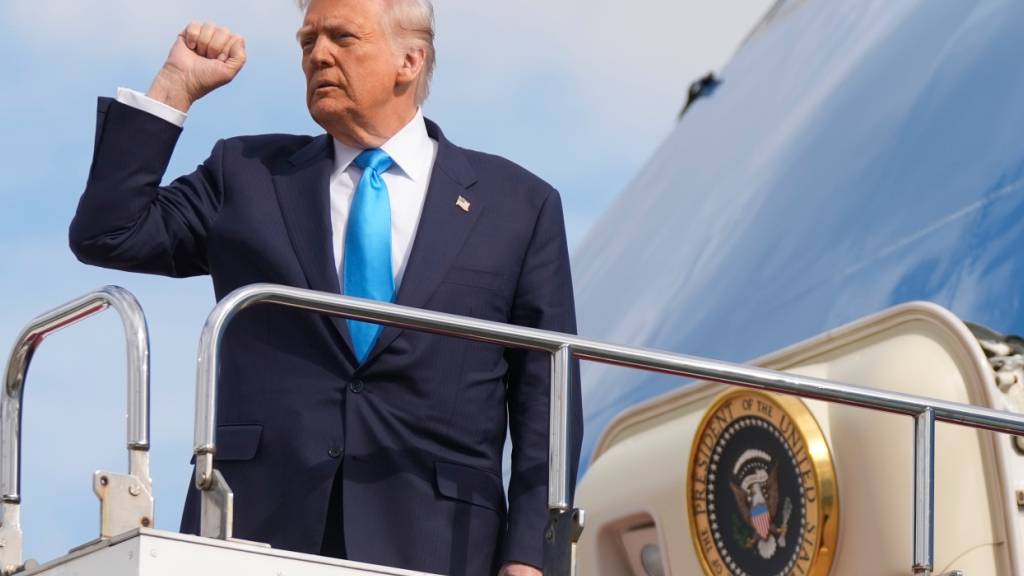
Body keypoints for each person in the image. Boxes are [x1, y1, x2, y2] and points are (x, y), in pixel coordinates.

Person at [68, 0, 583, 574]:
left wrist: (531, 555)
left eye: (342, 36)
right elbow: (109, 233)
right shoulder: (245, 174)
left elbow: (548, 394)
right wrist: (174, 87)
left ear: (410, 60)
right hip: (257, 531)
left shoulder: (518, 205)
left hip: (439, 539)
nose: (319, 55)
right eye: (307, 41)